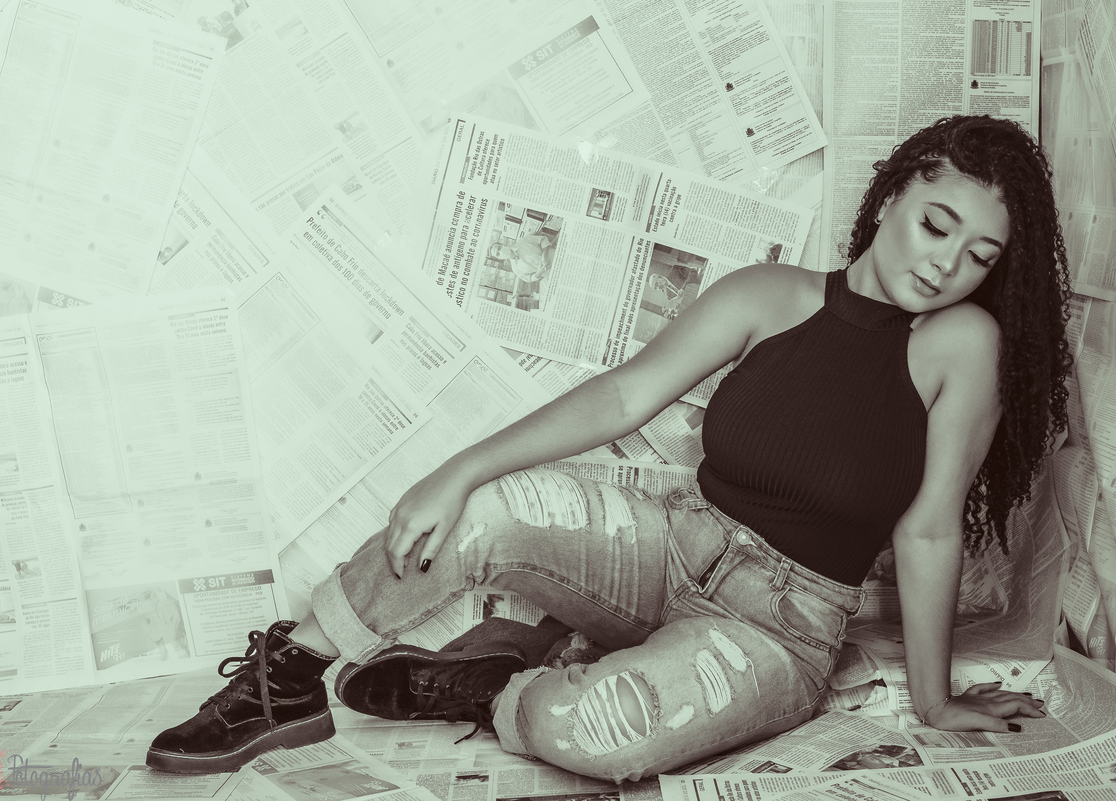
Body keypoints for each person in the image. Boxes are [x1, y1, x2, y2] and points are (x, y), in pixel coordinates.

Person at [146, 116, 1070, 780]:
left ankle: (499, 685)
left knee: (589, 732)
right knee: (484, 508)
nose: (946, 263)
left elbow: (928, 530)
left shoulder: (962, 346)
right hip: (671, 544)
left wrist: (935, 699)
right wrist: (458, 469)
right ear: (895, 194)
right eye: (937, 224)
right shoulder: (771, 294)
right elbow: (624, 395)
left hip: (778, 627)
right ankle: (291, 677)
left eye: (980, 255)